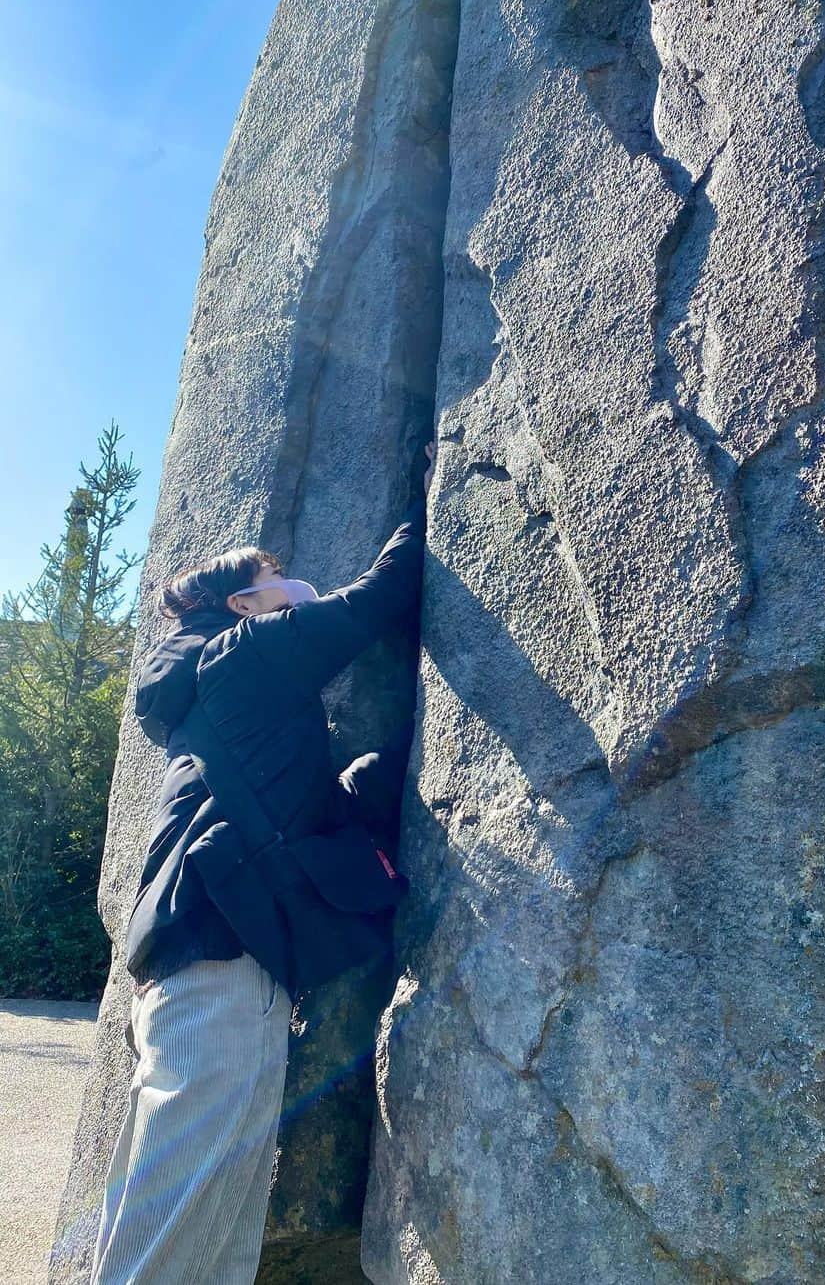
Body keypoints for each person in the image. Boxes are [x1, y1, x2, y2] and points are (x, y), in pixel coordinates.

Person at [89, 440, 436, 1285]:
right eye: (285, 584)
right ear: (246, 603)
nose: (301, 591)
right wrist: (437, 486)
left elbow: (310, 816)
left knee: (207, 1242)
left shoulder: (218, 709)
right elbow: (374, 601)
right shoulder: (242, 656)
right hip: (218, 972)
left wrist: (408, 756)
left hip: (204, 975)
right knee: (173, 1247)